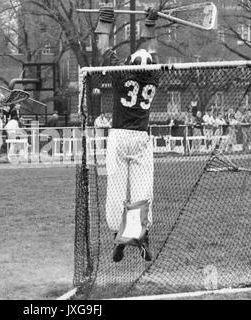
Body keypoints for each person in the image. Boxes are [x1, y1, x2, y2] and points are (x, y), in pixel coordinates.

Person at [95, 6, 159, 262]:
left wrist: (105, 20)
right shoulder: (154, 78)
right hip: (141, 137)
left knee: (117, 189)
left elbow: (103, 46)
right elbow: (152, 46)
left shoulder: (121, 73)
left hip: (119, 136)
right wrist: (150, 22)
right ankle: (142, 236)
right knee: (143, 191)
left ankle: (117, 235)